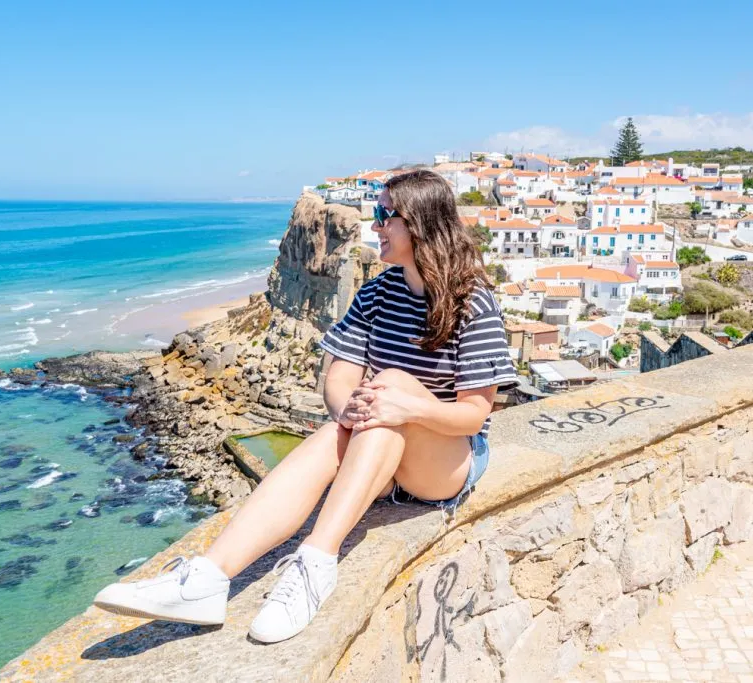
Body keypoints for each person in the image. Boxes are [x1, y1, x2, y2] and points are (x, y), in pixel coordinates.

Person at [92, 169, 517, 643]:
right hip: (380, 449)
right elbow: (339, 377)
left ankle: (317, 562)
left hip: (446, 460)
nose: (374, 225)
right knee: (345, 422)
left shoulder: (471, 301)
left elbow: (474, 414)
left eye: (384, 215)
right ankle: (209, 577)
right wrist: (346, 412)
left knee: (390, 385)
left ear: (418, 223)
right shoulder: (378, 292)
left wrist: (403, 408)